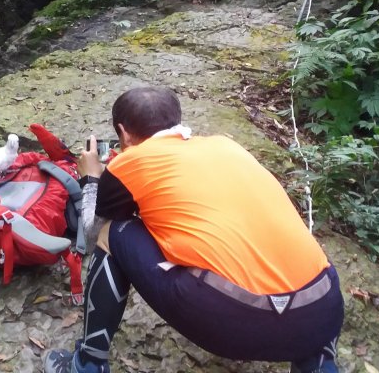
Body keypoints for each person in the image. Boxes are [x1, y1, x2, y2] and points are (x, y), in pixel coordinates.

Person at [43, 86, 343, 373]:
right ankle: (317, 364)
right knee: (299, 256)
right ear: (178, 122)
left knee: (114, 232)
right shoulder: (226, 144)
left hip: (233, 322)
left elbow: (90, 225)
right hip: (323, 310)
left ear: (122, 133)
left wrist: (91, 178)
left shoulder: (132, 161)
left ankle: (87, 364)